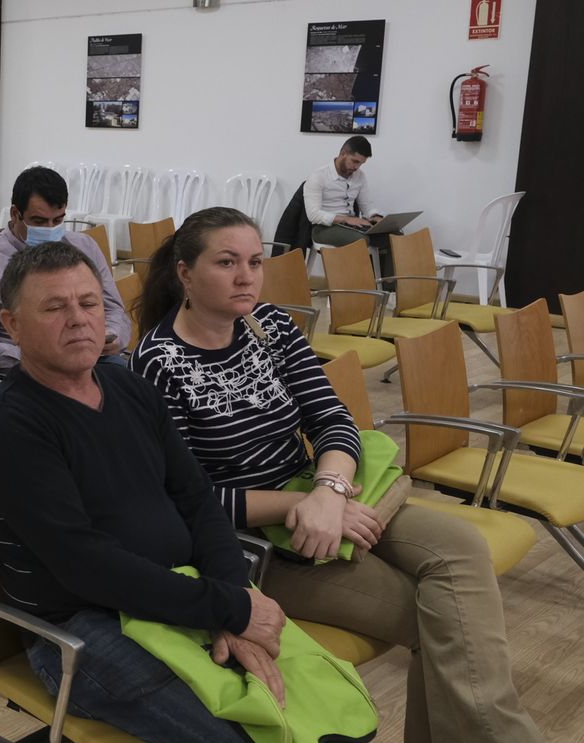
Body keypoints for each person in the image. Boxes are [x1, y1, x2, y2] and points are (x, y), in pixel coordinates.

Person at [131, 207, 543, 743]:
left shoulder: (268, 324)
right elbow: (185, 500)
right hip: (254, 544)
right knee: (440, 623)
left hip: (324, 494)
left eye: (255, 262)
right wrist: (301, 507)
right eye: (226, 262)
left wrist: (328, 492)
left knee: (461, 546)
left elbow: (333, 419)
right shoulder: (158, 363)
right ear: (185, 273)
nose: (245, 277)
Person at [0, 241, 288, 741]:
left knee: (297, 713)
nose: (78, 320)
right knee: (244, 735)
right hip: (81, 629)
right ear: (11, 326)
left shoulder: (131, 388)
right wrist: (227, 608)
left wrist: (233, 600)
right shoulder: (10, 426)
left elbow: (197, 499)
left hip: (175, 594)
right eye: (54, 307)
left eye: (89, 303)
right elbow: (85, 565)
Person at [0, 166, 128, 372]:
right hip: (26, 369)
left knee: (133, 391)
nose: (50, 228)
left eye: (58, 220)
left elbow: (113, 308)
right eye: (39, 221)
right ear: (15, 214)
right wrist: (44, 356)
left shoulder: (85, 247)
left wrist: (113, 336)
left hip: (93, 359)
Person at [302, 135, 392, 278]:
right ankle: (354, 288)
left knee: (394, 235)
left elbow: (367, 205)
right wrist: (346, 219)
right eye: (355, 161)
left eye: (361, 163)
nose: (356, 167)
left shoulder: (359, 176)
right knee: (361, 240)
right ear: (343, 154)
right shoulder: (318, 176)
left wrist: (375, 217)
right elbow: (313, 215)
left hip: (351, 226)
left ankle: (389, 288)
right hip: (324, 228)